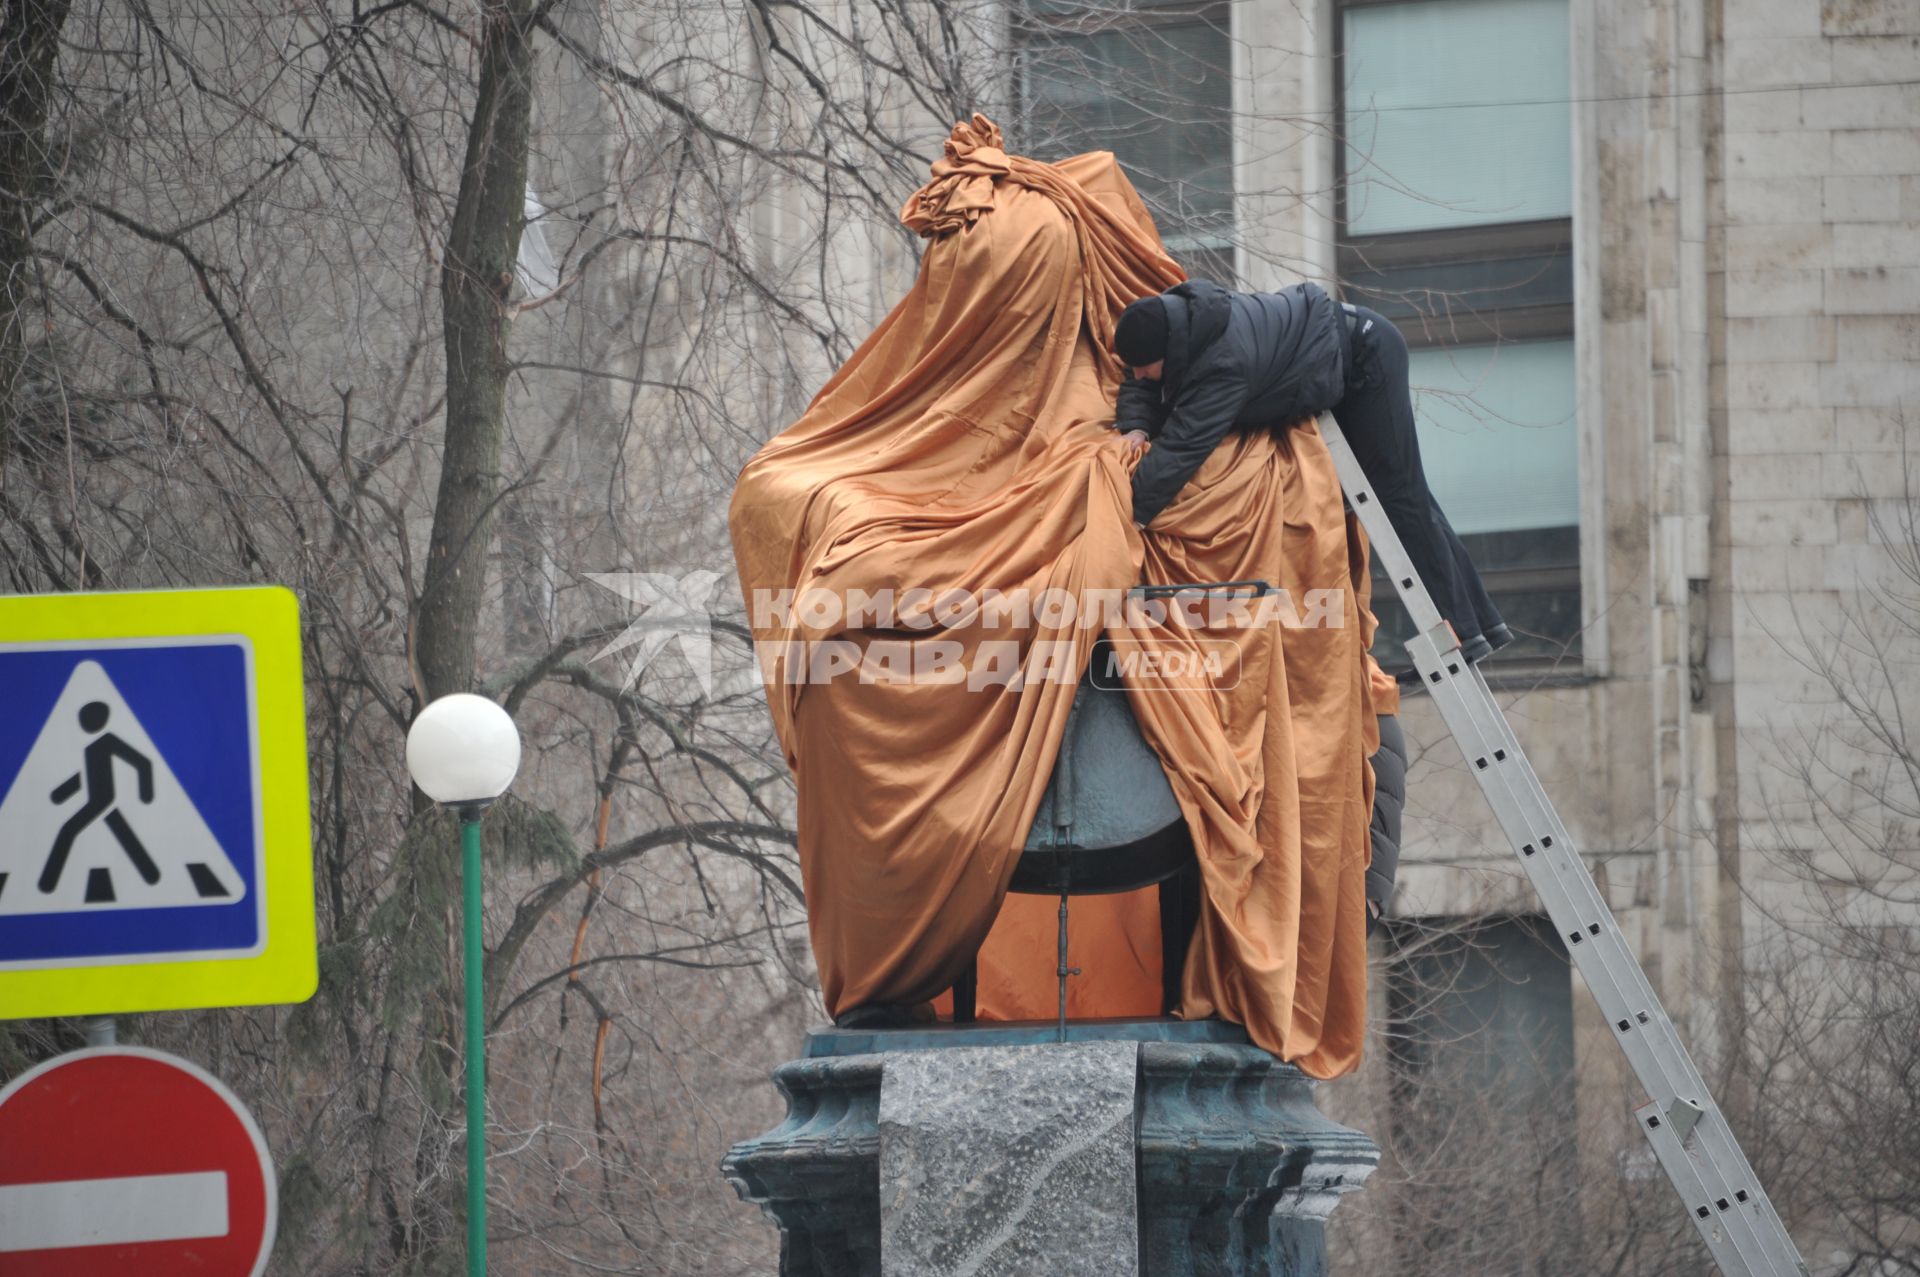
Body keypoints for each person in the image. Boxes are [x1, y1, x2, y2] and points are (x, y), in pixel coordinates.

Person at [1111, 278, 1513, 664]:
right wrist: (1137, 426)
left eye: (1147, 366)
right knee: (1410, 495)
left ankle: (1460, 628)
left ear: (1171, 347)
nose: (1140, 375)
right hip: (1336, 349)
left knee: (1397, 496)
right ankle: (1483, 625)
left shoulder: (1225, 362)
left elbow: (1182, 449)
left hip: (1366, 355)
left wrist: (1127, 517)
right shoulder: (1179, 319)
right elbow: (1142, 384)